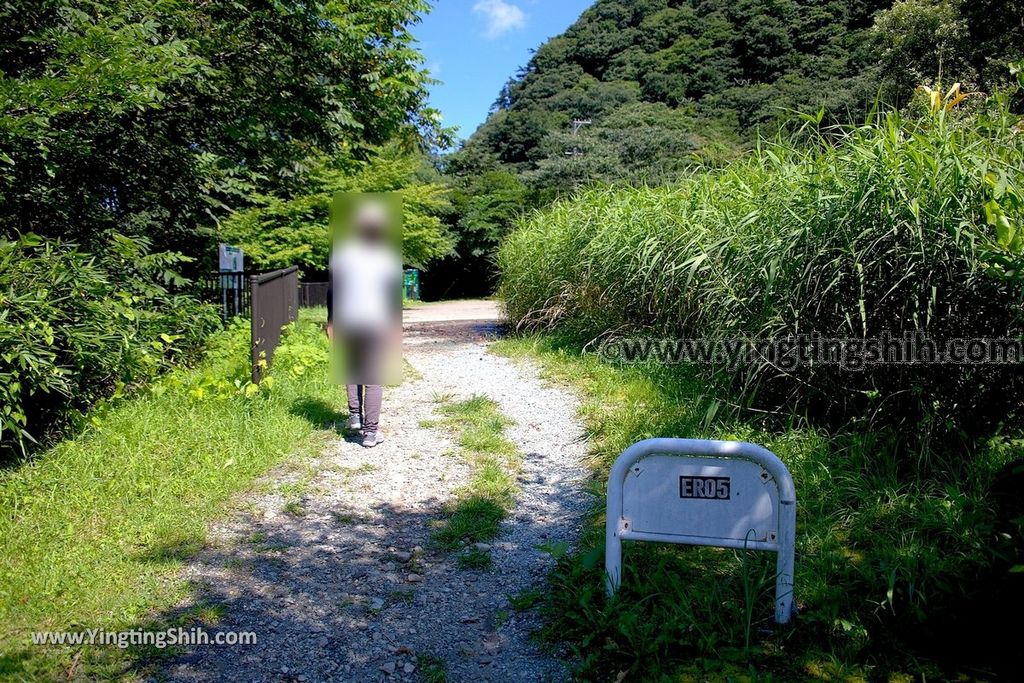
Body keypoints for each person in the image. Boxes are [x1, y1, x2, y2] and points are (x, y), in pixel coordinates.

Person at [325, 197, 402, 448]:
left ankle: (355, 417)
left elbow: (334, 289)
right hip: (375, 319)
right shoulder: (386, 255)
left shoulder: (344, 252)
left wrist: (331, 321)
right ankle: (370, 434)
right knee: (373, 376)